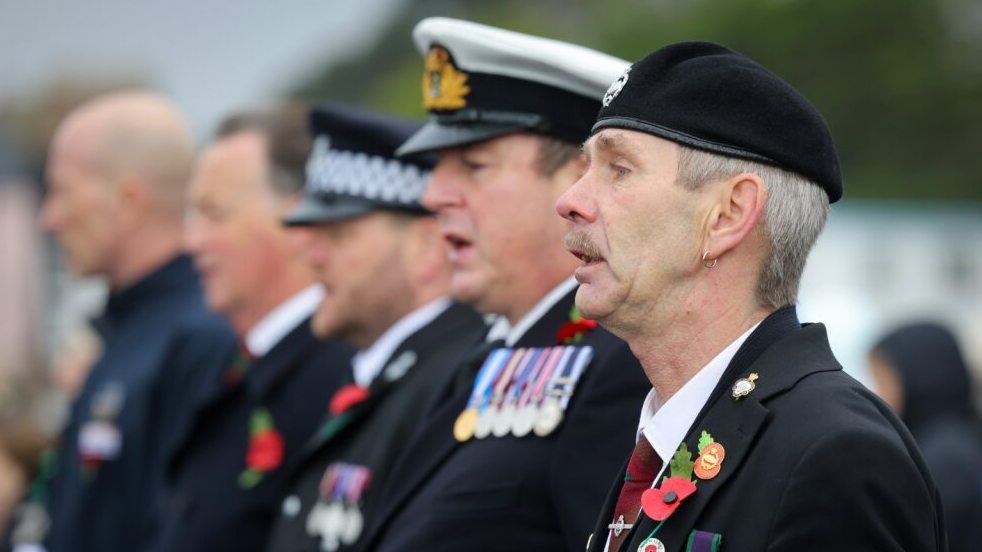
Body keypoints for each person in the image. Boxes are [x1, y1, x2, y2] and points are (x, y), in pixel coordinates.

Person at [555, 41, 946, 551]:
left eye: (619, 169)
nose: (570, 201)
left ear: (729, 215)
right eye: (586, 167)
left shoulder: (834, 453)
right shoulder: (675, 435)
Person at [358, 18, 650, 552]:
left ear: (579, 180)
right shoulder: (487, 352)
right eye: (438, 167)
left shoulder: (618, 365)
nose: (434, 195)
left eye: (473, 165)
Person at [264, 103, 485, 552]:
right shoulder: (395, 375)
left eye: (338, 235)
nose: (310, 256)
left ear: (427, 247)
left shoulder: (454, 382)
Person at [32, 91, 236, 552]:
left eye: (61, 191)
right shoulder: (131, 330)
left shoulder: (199, 339)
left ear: (127, 202)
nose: (50, 219)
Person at [146, 106, 355, 552]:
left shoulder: (338, 371)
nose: (192, 242)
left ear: (295, 220)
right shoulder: (227, 360)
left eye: (214, 214)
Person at [870, 322, 982, 552]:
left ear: (918, 376)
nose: (877, 394)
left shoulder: (943, 459)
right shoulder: (955, 438)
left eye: (883, 380)